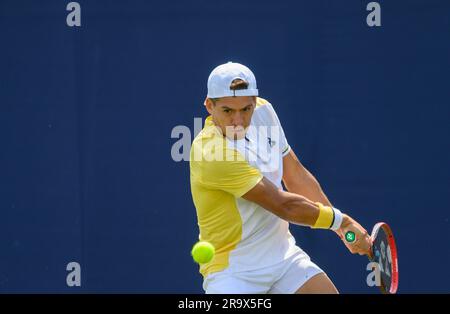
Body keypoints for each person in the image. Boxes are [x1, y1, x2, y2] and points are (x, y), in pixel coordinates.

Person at [189, 62, 371, 294]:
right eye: (227, 110)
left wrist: (341, 230)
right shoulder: (211, 153)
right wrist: (342, 221)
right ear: (209, 106)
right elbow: (282, 205)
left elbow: (295, 176)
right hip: (234, 272)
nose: (238, 120)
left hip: (284, 258)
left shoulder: (264, 112)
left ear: (255, 102)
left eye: (246, 109)